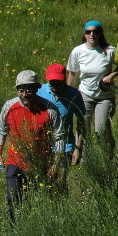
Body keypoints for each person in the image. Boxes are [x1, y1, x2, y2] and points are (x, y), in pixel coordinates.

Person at [0, 70, 66, 223]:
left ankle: (37, 227)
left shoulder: (49, 109)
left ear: (36, 89)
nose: (25, 94)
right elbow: (2, 129)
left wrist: (55, 163)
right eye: (21, 90)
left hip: (40, 163)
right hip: (15, 161)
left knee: (38, 201)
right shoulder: (9, 107)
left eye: (29, 89)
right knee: (12, 199)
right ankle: (15, 230)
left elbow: (59, 137)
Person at [66, 20, 118, 161]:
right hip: (85, 94)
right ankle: (80, 156)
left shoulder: (109, 51)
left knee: (101, 129)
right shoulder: (78, 51)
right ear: (84, 34)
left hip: (105, 96)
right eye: (88, 32)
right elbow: (73, 74)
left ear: (100, 34)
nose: (92, 34)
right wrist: (68, 93)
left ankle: (108, 156)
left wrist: (112, 75)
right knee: (82, 127)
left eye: (95, 31)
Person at [37, 63, 86, 191]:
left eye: (58, 84)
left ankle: (60, 203)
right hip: (44, 144)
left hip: (66, 144)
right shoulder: (40, 91)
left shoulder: (74, 94)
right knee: (47, 179)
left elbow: (81, 121)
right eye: (51, 83)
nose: (54, 87)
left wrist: (78, 148)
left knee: (61, 179)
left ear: (65, 80)